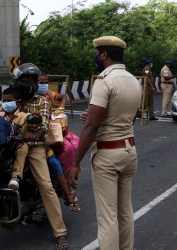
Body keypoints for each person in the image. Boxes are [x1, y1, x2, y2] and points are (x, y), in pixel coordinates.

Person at [68, 36, 141, 250]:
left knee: (107, 217)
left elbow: (91, 127)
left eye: (97, 53)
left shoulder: (104, 80)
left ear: (104, 54)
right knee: (125, 211)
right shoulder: (132, 80)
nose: (95, 57)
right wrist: (93, 118)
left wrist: (75, 163)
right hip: (129, 151)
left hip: (108, 156)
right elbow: (128, 117)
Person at [0, 63, 69, 250]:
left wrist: (36, 134)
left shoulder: (42, 101)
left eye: (32, 79)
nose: (29, 82)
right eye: (25, 79)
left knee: (45, 185)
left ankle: (60, 233)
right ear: (17, 81)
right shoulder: (9, 97)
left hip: (34, 146)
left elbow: (44, 124)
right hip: (9, 145)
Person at [37, 71, 80, 212]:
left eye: (45, 82)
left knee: (59, 156)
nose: (43, 85)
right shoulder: (23, 97)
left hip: (43, 135)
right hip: (26, 137)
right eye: (40, 82)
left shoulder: (47, 95)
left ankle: (67, 192)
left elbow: (63, 97)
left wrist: (60, 109)